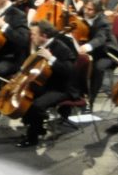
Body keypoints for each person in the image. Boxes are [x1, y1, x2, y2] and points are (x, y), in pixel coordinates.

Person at [14, 21, 81, 149]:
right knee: (26, 96)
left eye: (33, 34)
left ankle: (32, 137)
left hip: (63, 88)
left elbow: (69, 72)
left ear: (44, 36)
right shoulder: (41, 46)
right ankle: (38, 126)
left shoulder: (61, 48)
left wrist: (51, 59)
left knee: (36, 105)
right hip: (49, 83)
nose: (31, 37)